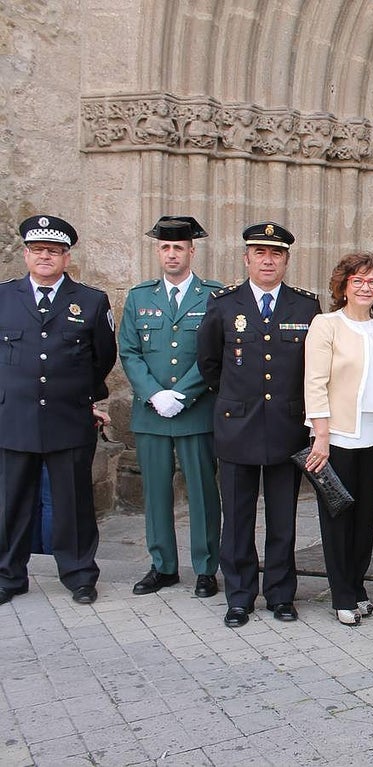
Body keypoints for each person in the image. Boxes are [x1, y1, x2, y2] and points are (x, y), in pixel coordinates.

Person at [197, 222, 321, 627]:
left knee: (283, 520)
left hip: (287, 428)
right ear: (246, 258)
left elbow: (314, 368)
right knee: (237, 519)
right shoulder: (223, 304)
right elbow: (209, 362)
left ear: (286, 260)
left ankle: (281, 595)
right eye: (260, 253)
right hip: (237, 427)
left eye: (276, 254)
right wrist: (236, 398)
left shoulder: (305, 306)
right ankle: (239, 596)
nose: (268, 261)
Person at [0, 215, 116, 606]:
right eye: (38, 250)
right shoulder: (4, 297)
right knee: (11, 501)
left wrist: (80, 395)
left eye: (54, 251)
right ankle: (9, 575)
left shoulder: (91, 301)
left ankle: (79, 575)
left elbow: (103, 356)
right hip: (14, 418)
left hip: (68, 416)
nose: (45, 257)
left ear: (67, 257)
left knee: (73, 502)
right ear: (26, 254)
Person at [120, 216, 224, 598]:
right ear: (158, 251)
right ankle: (162, 566)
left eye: (179, 247)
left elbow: (214, 351)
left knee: (203, 493)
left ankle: (206, 568)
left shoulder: (213, 295)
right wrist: (154, 394)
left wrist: (182, 394)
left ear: (192, 251)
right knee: (156, 493)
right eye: (165, 247)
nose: (172, 254)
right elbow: (129, 352)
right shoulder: (139, 297)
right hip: (151, 414)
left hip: (196, 411)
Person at [303, 254, 373, 626]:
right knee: (338, 516)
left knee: (365, 518)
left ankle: (358, 587)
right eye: (358, 281)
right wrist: (321, 436)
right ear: (344, 286)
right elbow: (314, 382)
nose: (366, 287)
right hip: (338, 437)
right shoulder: (326, 324)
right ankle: (341, 595)